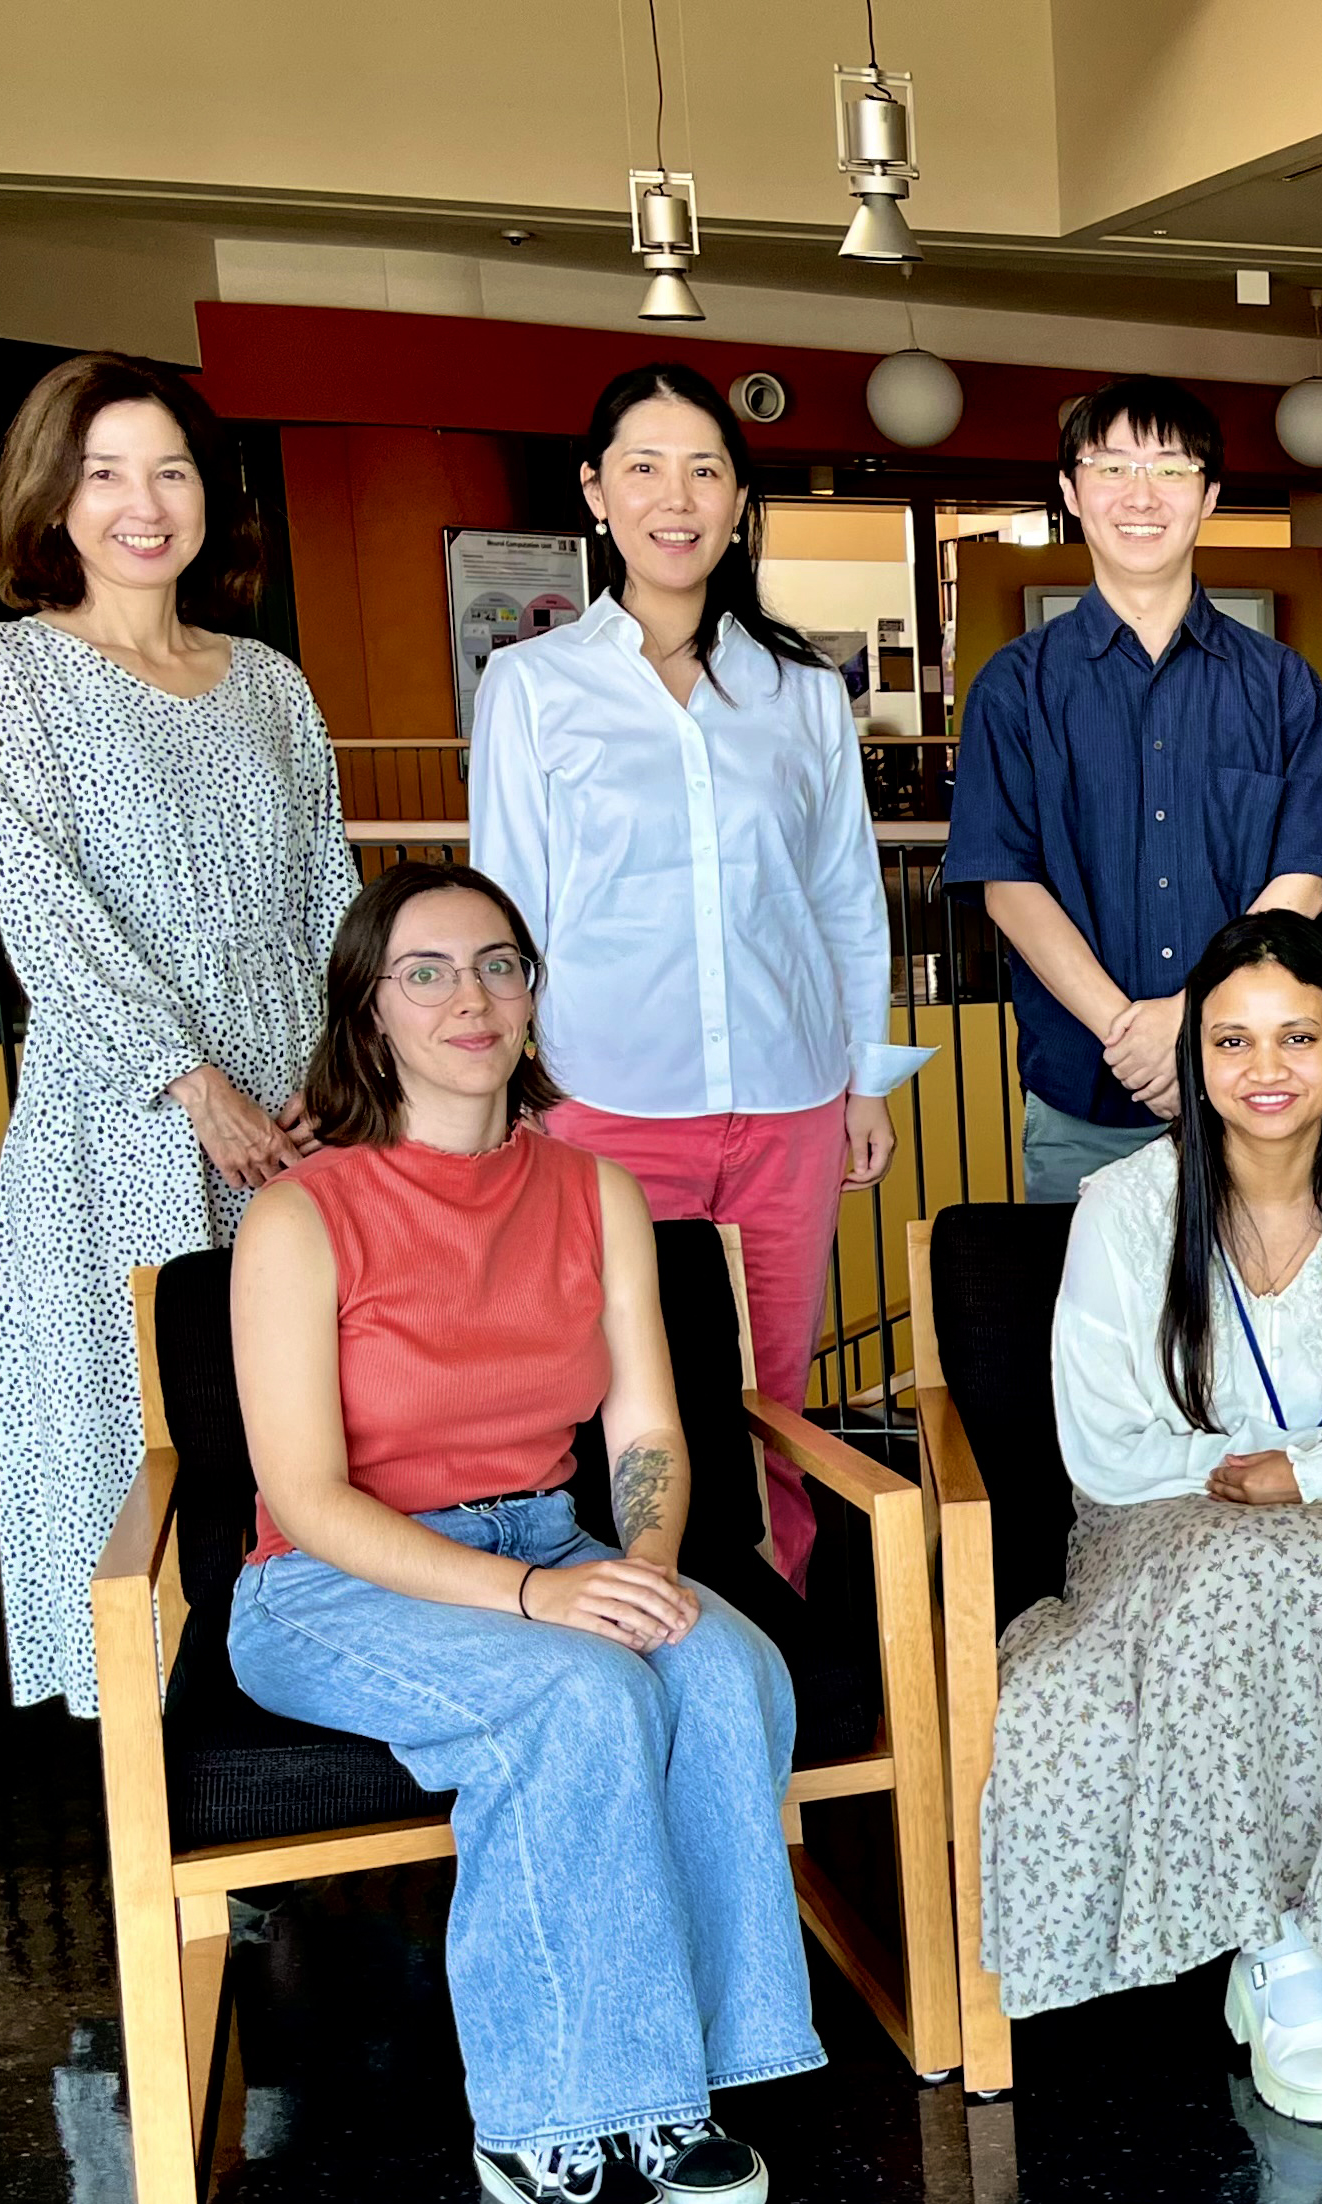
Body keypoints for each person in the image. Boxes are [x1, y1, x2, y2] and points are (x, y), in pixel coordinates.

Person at [228, 864, 819, 2204]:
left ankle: (671, 2092)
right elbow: (306, 1496)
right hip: (337, 1580)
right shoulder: (301, 1213)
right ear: (369, 1014)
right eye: (426, 972)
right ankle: (550, 2113)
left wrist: (646, 1572)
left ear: (532, 993)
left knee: (721, 1668)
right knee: (575, 1696)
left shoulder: (594, 1191)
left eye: (499, 964)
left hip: (551, 1534)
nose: (471, 997)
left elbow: (646, 1430)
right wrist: (539, 1601)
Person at [978, 912, 1322, 2121]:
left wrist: (1304, 1478)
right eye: (1232, 1041)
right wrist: (1315, 1451)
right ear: (1196, 1058)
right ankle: (1281, 1958)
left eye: (1297, 1037)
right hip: (1160, 1523)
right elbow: (1106, 1445)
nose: (1266, 1069)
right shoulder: (1126, 1207)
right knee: (1235, 1579)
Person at [471, 363, 925, 1591]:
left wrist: (866, 1082)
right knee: (613, 1396)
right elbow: (506, 913)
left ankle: (784, 1624)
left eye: (705, 470)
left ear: (736, 501)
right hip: (604, 1102)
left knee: (775, 1394)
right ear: (595, 492)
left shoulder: (801, 687)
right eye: (644, 468)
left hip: (789, 1100)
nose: (676, 499)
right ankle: (636, 1624)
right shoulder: (533, 685)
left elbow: (843, 894)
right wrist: (502, 1096)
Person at [0, 353, 359, 1714]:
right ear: (51, 497)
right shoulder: (4, 669)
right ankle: (155, 1740)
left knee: (304, 1410)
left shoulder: (270, 681)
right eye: (105, 472)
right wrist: (191, 1082)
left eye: (171, 470)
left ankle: (311, 1692)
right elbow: (41, 900)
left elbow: (327, 888)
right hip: (120, 1120)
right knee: (134, 1421)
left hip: (294, 1115)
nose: (144, 503)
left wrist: (335, 1071)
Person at [946, 375, 1322, 1203]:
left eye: (1170, 469)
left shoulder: (1283, 685)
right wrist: (1132, 1035)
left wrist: (1193, 1020)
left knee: (1264, 1292)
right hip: (1085, 1093)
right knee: (1085, 1292)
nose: (1141, 495)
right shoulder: (1013, 688)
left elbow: (1302, 877)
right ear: (1070, 492)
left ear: (1210, 496)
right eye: (1111, 467)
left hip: (1255, 1099)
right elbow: (1007, 883)